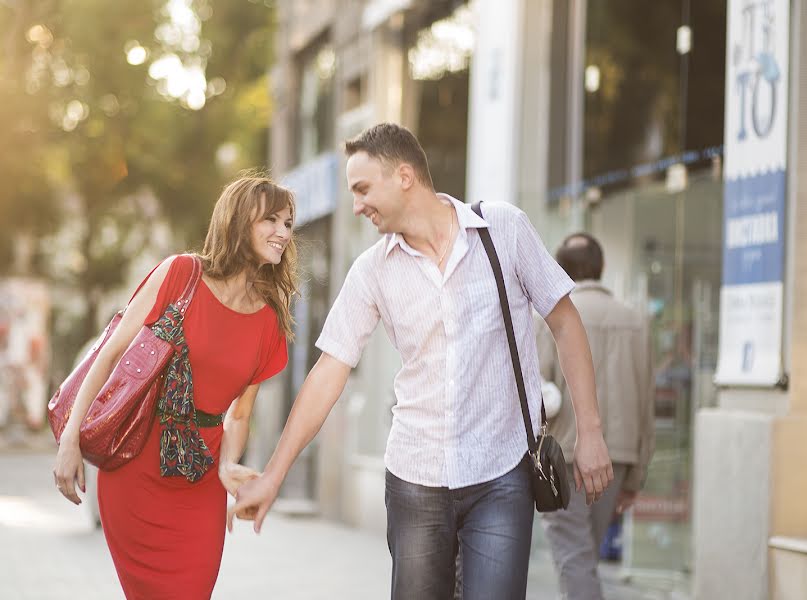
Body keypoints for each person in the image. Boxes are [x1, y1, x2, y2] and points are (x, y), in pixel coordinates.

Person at [229, 123, 614, 600]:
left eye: (363, 189)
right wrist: (274, 474)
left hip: (501, 475)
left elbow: (565, 322)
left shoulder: (503, 229)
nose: (357, 205)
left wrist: (592, 432)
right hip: (415, 482)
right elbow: (329, 371)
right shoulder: (372, 270)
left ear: (405, 176)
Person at [51, 175, 299, 599]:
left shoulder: (270, 321)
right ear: (239, 221)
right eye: (271, 220)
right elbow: (108, 353)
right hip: (135, 468)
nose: (283, 232)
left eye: (289, 223)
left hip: (200, 484)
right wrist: (70, 439)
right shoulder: (180, 273)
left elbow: (239, 413)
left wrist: (227, 467)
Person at [535, 233, 655, 600]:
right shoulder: (636, 320)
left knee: (574, 556)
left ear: (558, 269)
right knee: (584, 555)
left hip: (567, 456)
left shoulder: (552, 318)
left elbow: (538, 392)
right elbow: (647, 402)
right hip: (618, 458)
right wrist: (637, 474)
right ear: (601, 268)